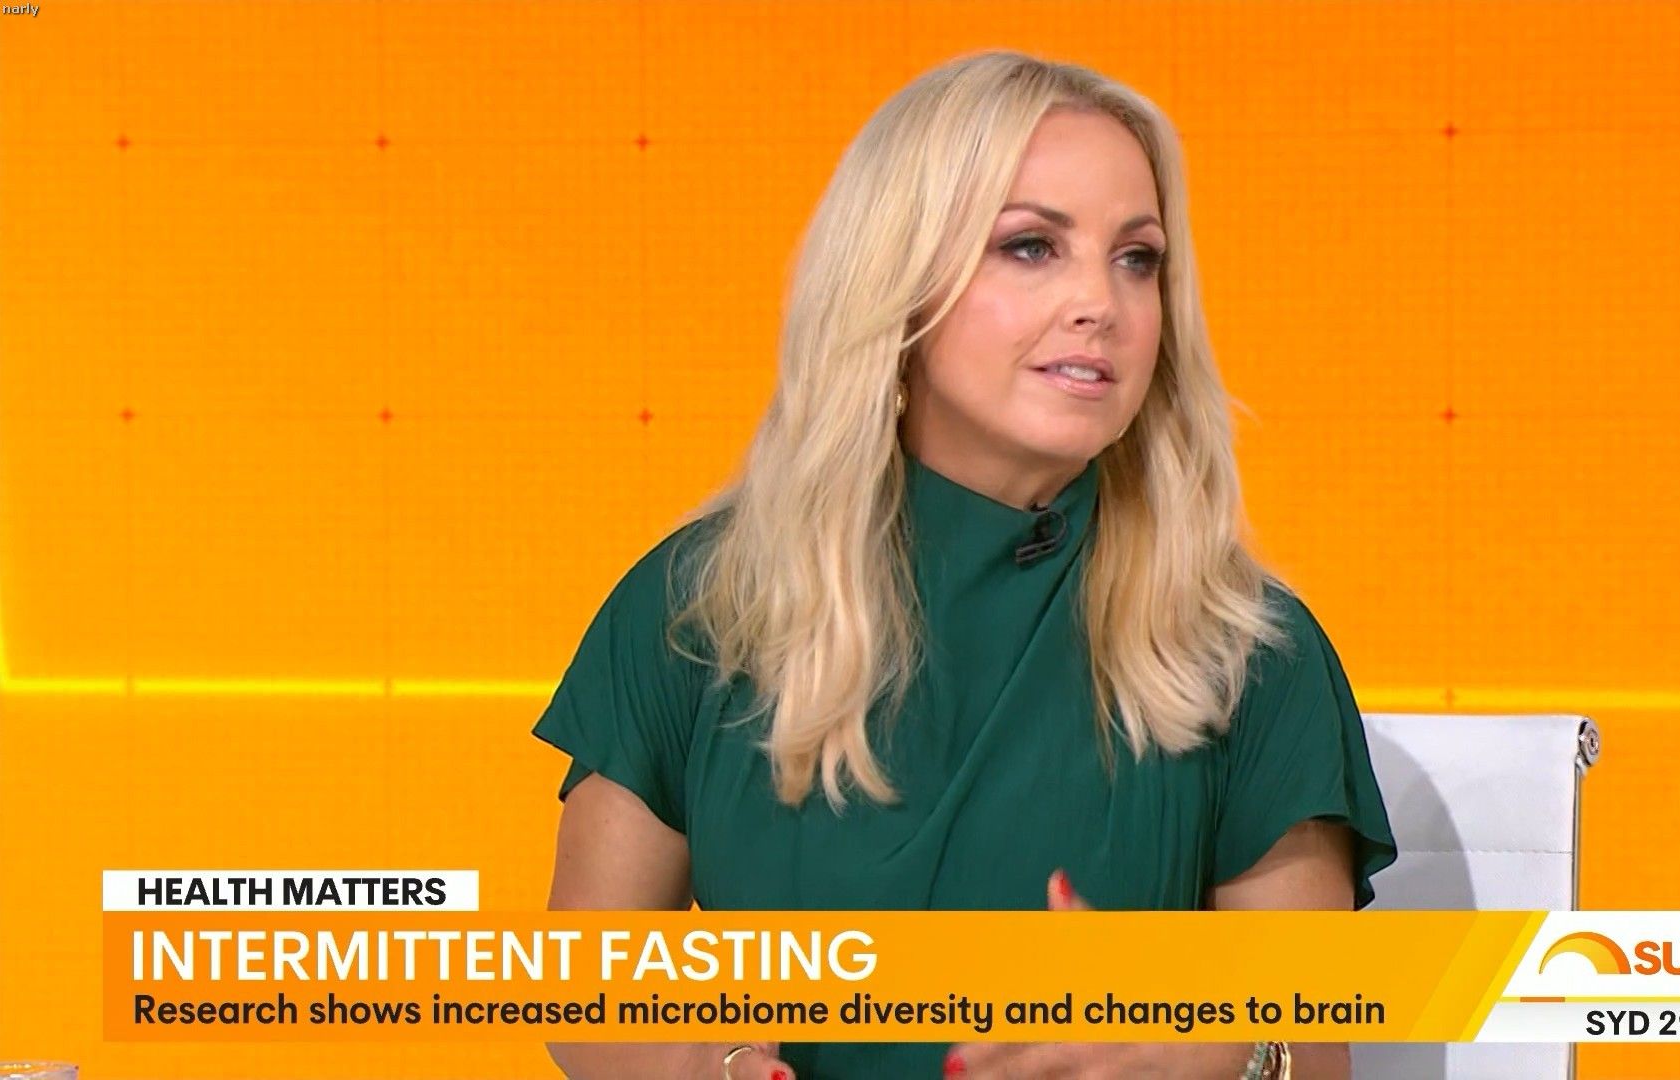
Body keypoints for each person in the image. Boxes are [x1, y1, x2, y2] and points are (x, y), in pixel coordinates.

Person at [533, 48, 1397, 1080]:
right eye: (1032, 246)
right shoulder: (698, 606)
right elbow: (586, 992)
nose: (1102, 302)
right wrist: (711, 1063)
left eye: (1138, 258)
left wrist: (1188, 1055)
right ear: (898, 284)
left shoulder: (1251, 650)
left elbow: (1311, 1047)